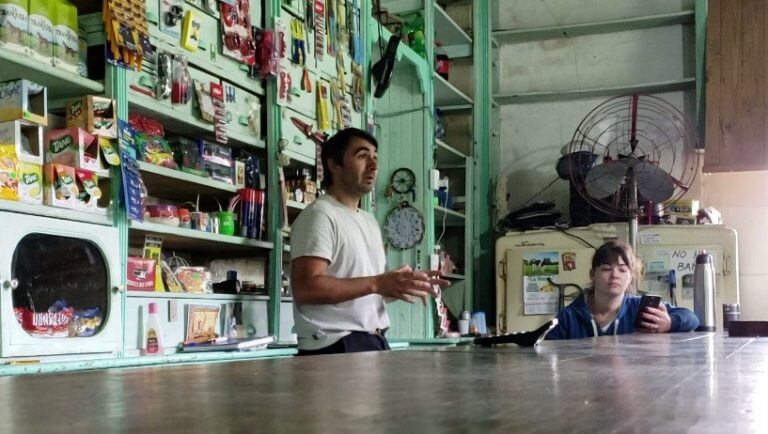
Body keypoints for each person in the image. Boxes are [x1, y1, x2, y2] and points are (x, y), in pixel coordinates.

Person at [290, 128, 450, 355]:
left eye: (375, 157)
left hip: (372, 339)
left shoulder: (368, 221)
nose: (373, 166)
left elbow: (365, 288)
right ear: (334, 165)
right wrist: (377, 283)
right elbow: (306, 288)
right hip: (335, 345)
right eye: (362, 156)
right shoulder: (320, 215)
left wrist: (399, 283)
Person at [546, 240, 699, 339]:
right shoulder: (568, 317)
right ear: (593, 275)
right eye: (606, 269)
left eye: (622, 270)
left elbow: (692, 319)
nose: (614, 275)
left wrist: (670, 322)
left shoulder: (642, 308)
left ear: (630, 277)